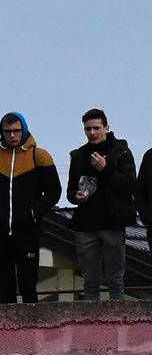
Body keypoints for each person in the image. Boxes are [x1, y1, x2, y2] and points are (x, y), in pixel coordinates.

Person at [0, 114, 60, 305]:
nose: (12, 135)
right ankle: (6, 333)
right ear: (1, 132)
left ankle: (31, 330)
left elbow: (54, 191)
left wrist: (34, 211)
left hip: (28, 232)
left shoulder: (40, 156)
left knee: (28, 285)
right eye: (8, 131)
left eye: (16, 131)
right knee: (5, 286)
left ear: (24, 130)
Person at [64, 109, 137, 301]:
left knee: (115, 280)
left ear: (107, 127)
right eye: (87, 129)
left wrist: (106, 169)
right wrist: (76, 196)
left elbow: (130, 185)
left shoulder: (121, 151)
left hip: (113, 221)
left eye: (96, 128)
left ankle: (119, 324)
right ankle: (89, 326)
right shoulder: (79, 155)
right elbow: (70, 191)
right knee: (89, 281)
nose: (92, 133)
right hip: (86, 223)